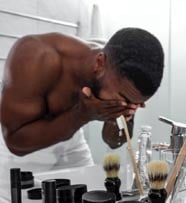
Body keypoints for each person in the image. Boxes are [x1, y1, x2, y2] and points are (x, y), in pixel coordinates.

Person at [0, 28, 164, 177]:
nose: (126, 105)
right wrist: (82, 115)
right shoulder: (36, 56)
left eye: (134, 104)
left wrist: (123, 115)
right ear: (99, 64)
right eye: (125, 100)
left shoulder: (121, 77)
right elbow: (15, 143)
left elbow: (114, 141)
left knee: (92, 200)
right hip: (24, 147)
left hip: (71, 140)